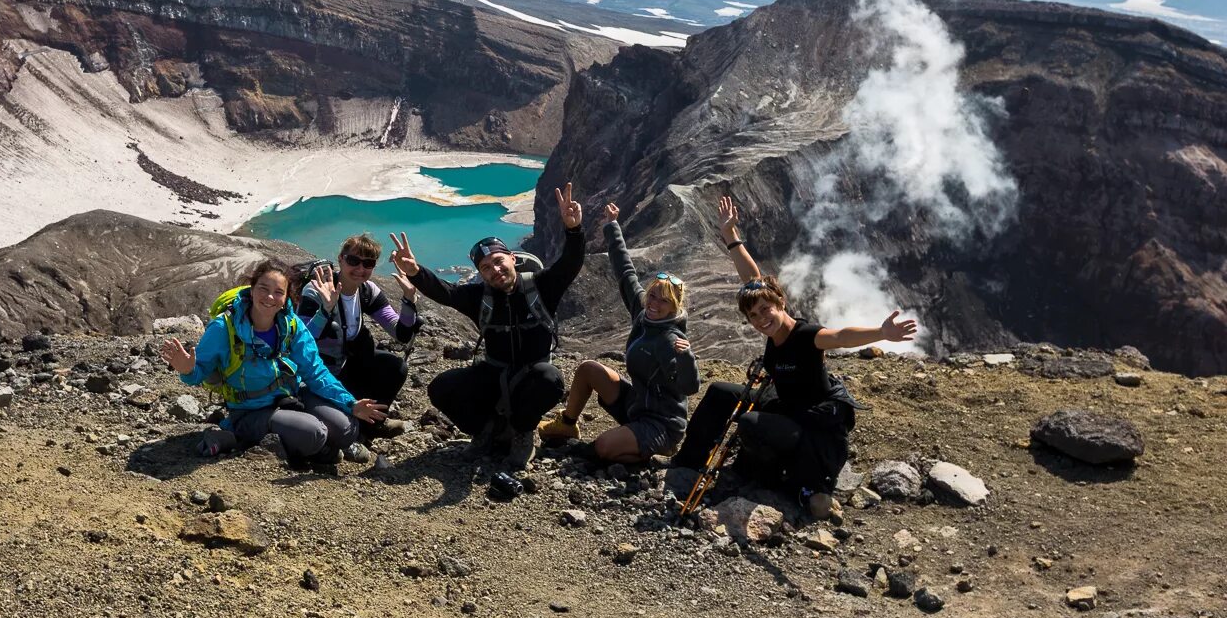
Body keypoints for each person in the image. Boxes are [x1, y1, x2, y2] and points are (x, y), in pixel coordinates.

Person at [671, 196, 916, 519]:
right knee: (718, 393)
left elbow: (841, 337)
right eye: (754, 316)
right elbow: (752, 278)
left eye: (765, 310)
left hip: (811, 427)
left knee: (748, 422)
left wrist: (882, 333)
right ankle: (687, 463)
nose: (760, 319)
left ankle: (779, 479)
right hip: (784, 409)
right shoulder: (772, 331)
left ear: (781, 303)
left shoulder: (805, 336)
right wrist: (731, 236)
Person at [390, 182, 585, 472]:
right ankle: (488, 431)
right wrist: (416, 272)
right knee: (442, 388)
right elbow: (445, 291)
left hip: (532, 375)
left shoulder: (541, 286)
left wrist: (573, 230)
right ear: (481, 274)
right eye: (486, 268)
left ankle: (522, 432)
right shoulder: (479, 297)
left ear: (512, 259)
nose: (494, 270)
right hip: (493, 374)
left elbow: (569, 263)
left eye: (498, 262)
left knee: (551, 379)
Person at [160, 260, 387, 467]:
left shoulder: (290, 324)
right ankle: (239, 435)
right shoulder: (224, 327)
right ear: (252, 288)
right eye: (263, 289)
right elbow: (199, 372)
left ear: (287, 297)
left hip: (290, 398)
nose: (270, 298)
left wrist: (351, 403)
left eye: (278, 292)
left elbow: (315, 372)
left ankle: (315, 446)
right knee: (314, 434)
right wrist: (188, 369)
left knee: (348, 429)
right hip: (249, 410)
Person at [538, 202, 699, 462]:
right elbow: (625, 272)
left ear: (673, 308)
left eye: (663, 301)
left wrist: (686, 359)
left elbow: (689, 387)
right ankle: (567, 424)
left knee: (602, 448)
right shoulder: (642, 312)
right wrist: (612, 226)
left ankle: (655, 453)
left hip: (661, 423)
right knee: (589, 369)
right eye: (653, 296)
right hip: (637, 404)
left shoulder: (671, 340)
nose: (654, 304)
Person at [295, 234, 418, 440]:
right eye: (353, 261)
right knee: (340, 426)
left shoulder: (367, 291)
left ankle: (372, 425)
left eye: (368, 263)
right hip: (319, 373)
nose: (360, 269)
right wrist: (325, 310)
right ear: (341, 259)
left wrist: (409, 300)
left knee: (395, 367)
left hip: (347, 366)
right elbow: (302, 339)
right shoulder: (317, 290)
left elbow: (401, 333)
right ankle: (348, 422)